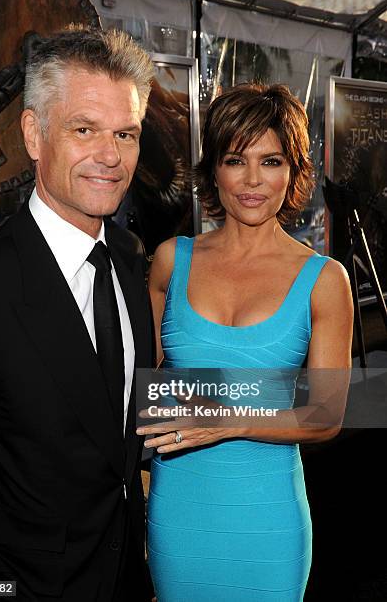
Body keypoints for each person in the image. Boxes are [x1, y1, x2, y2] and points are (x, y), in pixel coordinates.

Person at [0, 28, 156, 601]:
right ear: (33, 135)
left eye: (125, 134)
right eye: (84, 129)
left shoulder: (128, 257)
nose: (110, 157)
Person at [137, 83, 354, 601]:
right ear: (214, 170)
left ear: (294, 170)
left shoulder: (324, 279)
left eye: (271, 160)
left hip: (268, 520)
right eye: (236, 160)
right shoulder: (172, 260)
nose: (253, 180)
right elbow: (149, 392)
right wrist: (143, 494)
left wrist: (223, 418)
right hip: (178, 510)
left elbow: (326, 414)